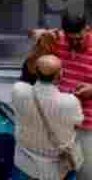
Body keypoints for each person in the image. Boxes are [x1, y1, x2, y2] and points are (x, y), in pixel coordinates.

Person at [12, 54, 84, 180]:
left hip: (25, 164)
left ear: (35, 71)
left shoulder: (18, 90)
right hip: (57, 170)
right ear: (59, 75)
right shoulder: (70, 102)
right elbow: (78, 123)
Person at [51, 14, 92, 180]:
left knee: (86, 173)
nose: (74, 44)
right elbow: (33, 34)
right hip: (60, 121)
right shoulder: (59, 40)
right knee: (56, 173)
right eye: (70, 39)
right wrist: (38, 34)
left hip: (87, 124)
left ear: (87, 30)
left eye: (79, 39)